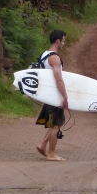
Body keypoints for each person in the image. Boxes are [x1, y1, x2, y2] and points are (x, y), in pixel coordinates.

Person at [36, 29, 69, 161]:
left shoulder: (44, 55)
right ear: (58, 41)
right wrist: (65, 97)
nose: (64, 44)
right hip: (54, 95)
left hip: (47, 94)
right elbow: (58, 79)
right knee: (56, 125)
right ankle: (51, 154)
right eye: (63, 41)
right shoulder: (54, 58)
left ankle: (42, 145)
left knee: (54, 123)